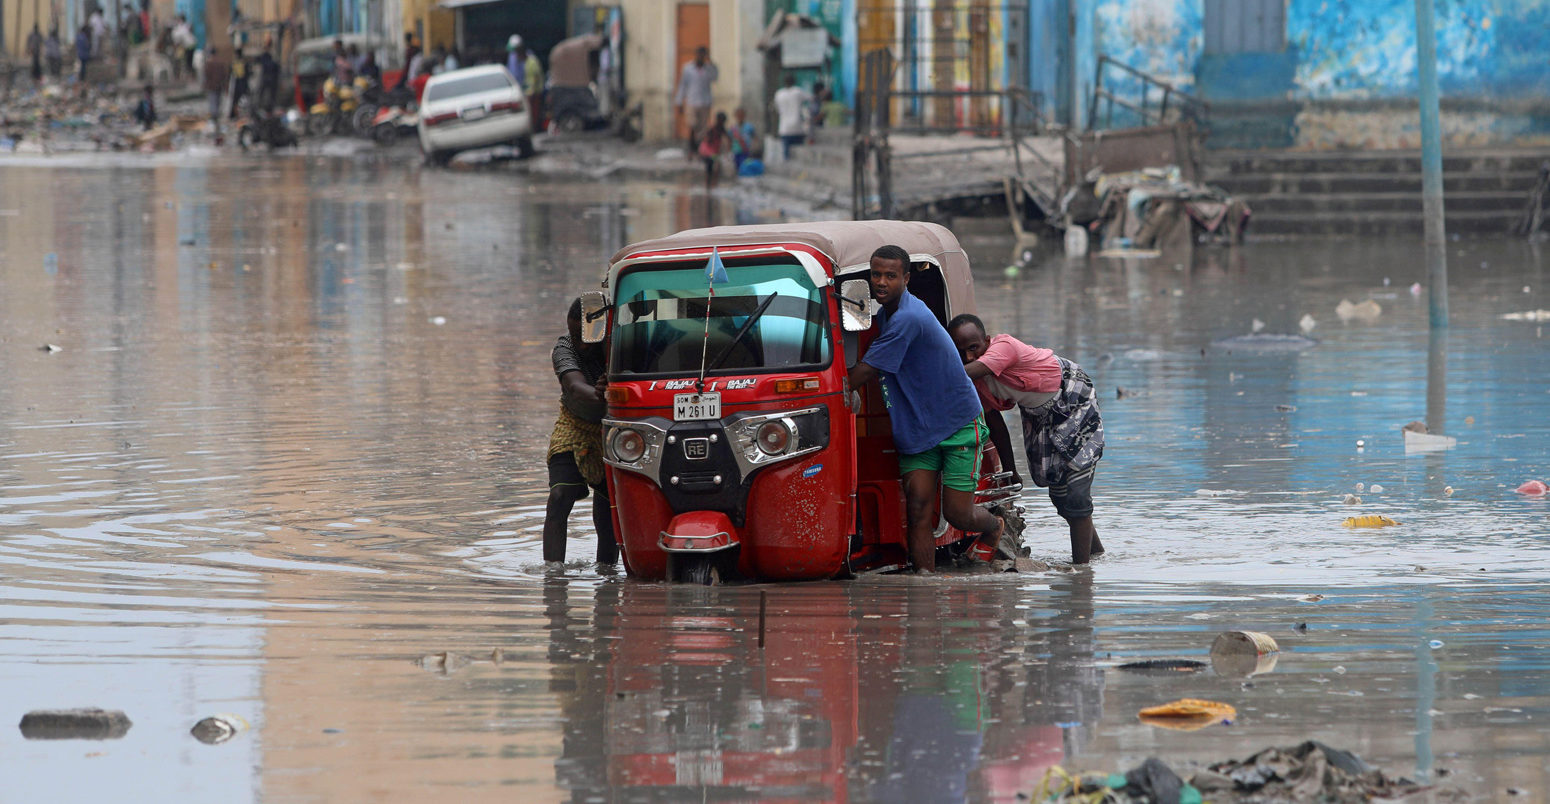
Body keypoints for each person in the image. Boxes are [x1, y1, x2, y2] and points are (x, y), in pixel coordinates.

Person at [845, 245, 1004, 572]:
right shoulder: (886, 315)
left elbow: (863, 373)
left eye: (890, 276)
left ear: (906, 278)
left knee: (957, 514)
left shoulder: (909, 318)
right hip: (917, 428)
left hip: (957, 421)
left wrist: (822, 389)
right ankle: (924, 582)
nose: (881, 282)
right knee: (917, 510)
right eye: (876, 275)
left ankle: (994, 526)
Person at [947, 315, 1106, 565]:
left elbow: (965, 373)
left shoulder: (1004, 347)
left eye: (973, 348)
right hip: (1038, 414)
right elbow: (996, 426)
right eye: (958, 351)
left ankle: (1082, 574)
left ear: (987, 341)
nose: (968, 356)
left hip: (1072, 397)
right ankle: (1096, 555)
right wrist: (1010, 468)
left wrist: (935, 371)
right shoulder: (975, 384)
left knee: (1076, 493)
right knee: (1061, 495)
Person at [544, 298, 618, 566]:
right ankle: (553, 576)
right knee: (559, 496)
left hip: (613, 429)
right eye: (575, 336)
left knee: (608, 507)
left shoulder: (618, 345)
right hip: (574, 423)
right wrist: (599, 394)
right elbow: (575, 387)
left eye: (586, 338)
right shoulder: (564, 348)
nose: (581, 345)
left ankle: (607, 575)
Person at [673, 46, 716, 156]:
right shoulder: (687, 68)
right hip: (691, 101)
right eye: (699, 55)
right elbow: (683, 85)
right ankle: (691, 149)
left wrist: (710, 62)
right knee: (692, 125)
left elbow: (715, 77)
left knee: (702, 129)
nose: (701, 57)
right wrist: (679, 102)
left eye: (703, 55)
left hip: (705, 102)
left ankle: (699, 149)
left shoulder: (709, 69)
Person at [772, 74, 811, 160]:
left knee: (787, 155)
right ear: (794, 81)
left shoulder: (779, 94)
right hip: (797, 128)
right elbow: (809, 98)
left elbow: (777, 109)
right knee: (800, 154)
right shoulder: (798, 91)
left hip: (784, 128)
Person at [202, 46, 229, 135]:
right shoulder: (220, 63)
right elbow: (225, 75)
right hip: (219, 86)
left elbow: (206, 76)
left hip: (212, 87)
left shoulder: (209, 63)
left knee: (213, 102)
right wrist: (225, 86)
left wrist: (205, 85)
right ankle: (216, 117)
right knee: (217, 102)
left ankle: (214, 118)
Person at [698, 110, 728, 189]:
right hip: (708, 151)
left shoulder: (721, 129)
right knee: (713, 166)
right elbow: (704, 136)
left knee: (713, 167)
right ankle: (710, 184)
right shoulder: (713, 128)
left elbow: (727, 139)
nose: (722, 122)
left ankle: (711, 184)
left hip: (713, 151)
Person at [728, 106, 756, 173]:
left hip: (746, 151)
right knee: (737, 167)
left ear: (744, 115)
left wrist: (754, 149)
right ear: (735, 116)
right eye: (738, 115)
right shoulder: (733, 128)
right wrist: (729, 150)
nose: (740, 116)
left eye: (741, 115)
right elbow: (729, 140)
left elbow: (754, 138)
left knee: (745, 167)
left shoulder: (749, 127)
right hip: (736, 151)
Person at [255, 40, 280, 111]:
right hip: (268, 77)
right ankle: (261, 105)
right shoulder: (266, 57)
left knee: (267, 92)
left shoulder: (269, 56)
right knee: (264, 92)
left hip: (269, 77)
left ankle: (266, 105)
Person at [228, 46, 249, 119]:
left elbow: (231, 73)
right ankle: (240, 115)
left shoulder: (235, 63)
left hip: (237, 83)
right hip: (243, 83)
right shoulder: (244, 63)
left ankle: (234, 115)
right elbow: (247, 74)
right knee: (242, 101)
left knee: (236, 101)